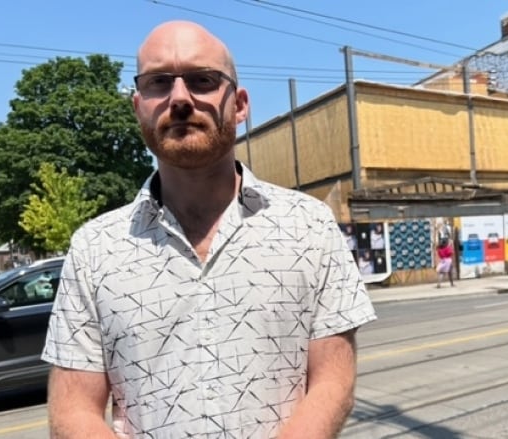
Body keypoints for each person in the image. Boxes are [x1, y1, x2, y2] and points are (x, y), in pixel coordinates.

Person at [42, 20, 377, 439]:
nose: (179, 98)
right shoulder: (94, 249)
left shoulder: (309, 226)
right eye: (158, 83)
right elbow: (73, 410)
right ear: (138, 107)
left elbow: (332, 380)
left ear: (238, 104)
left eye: (202, 80)